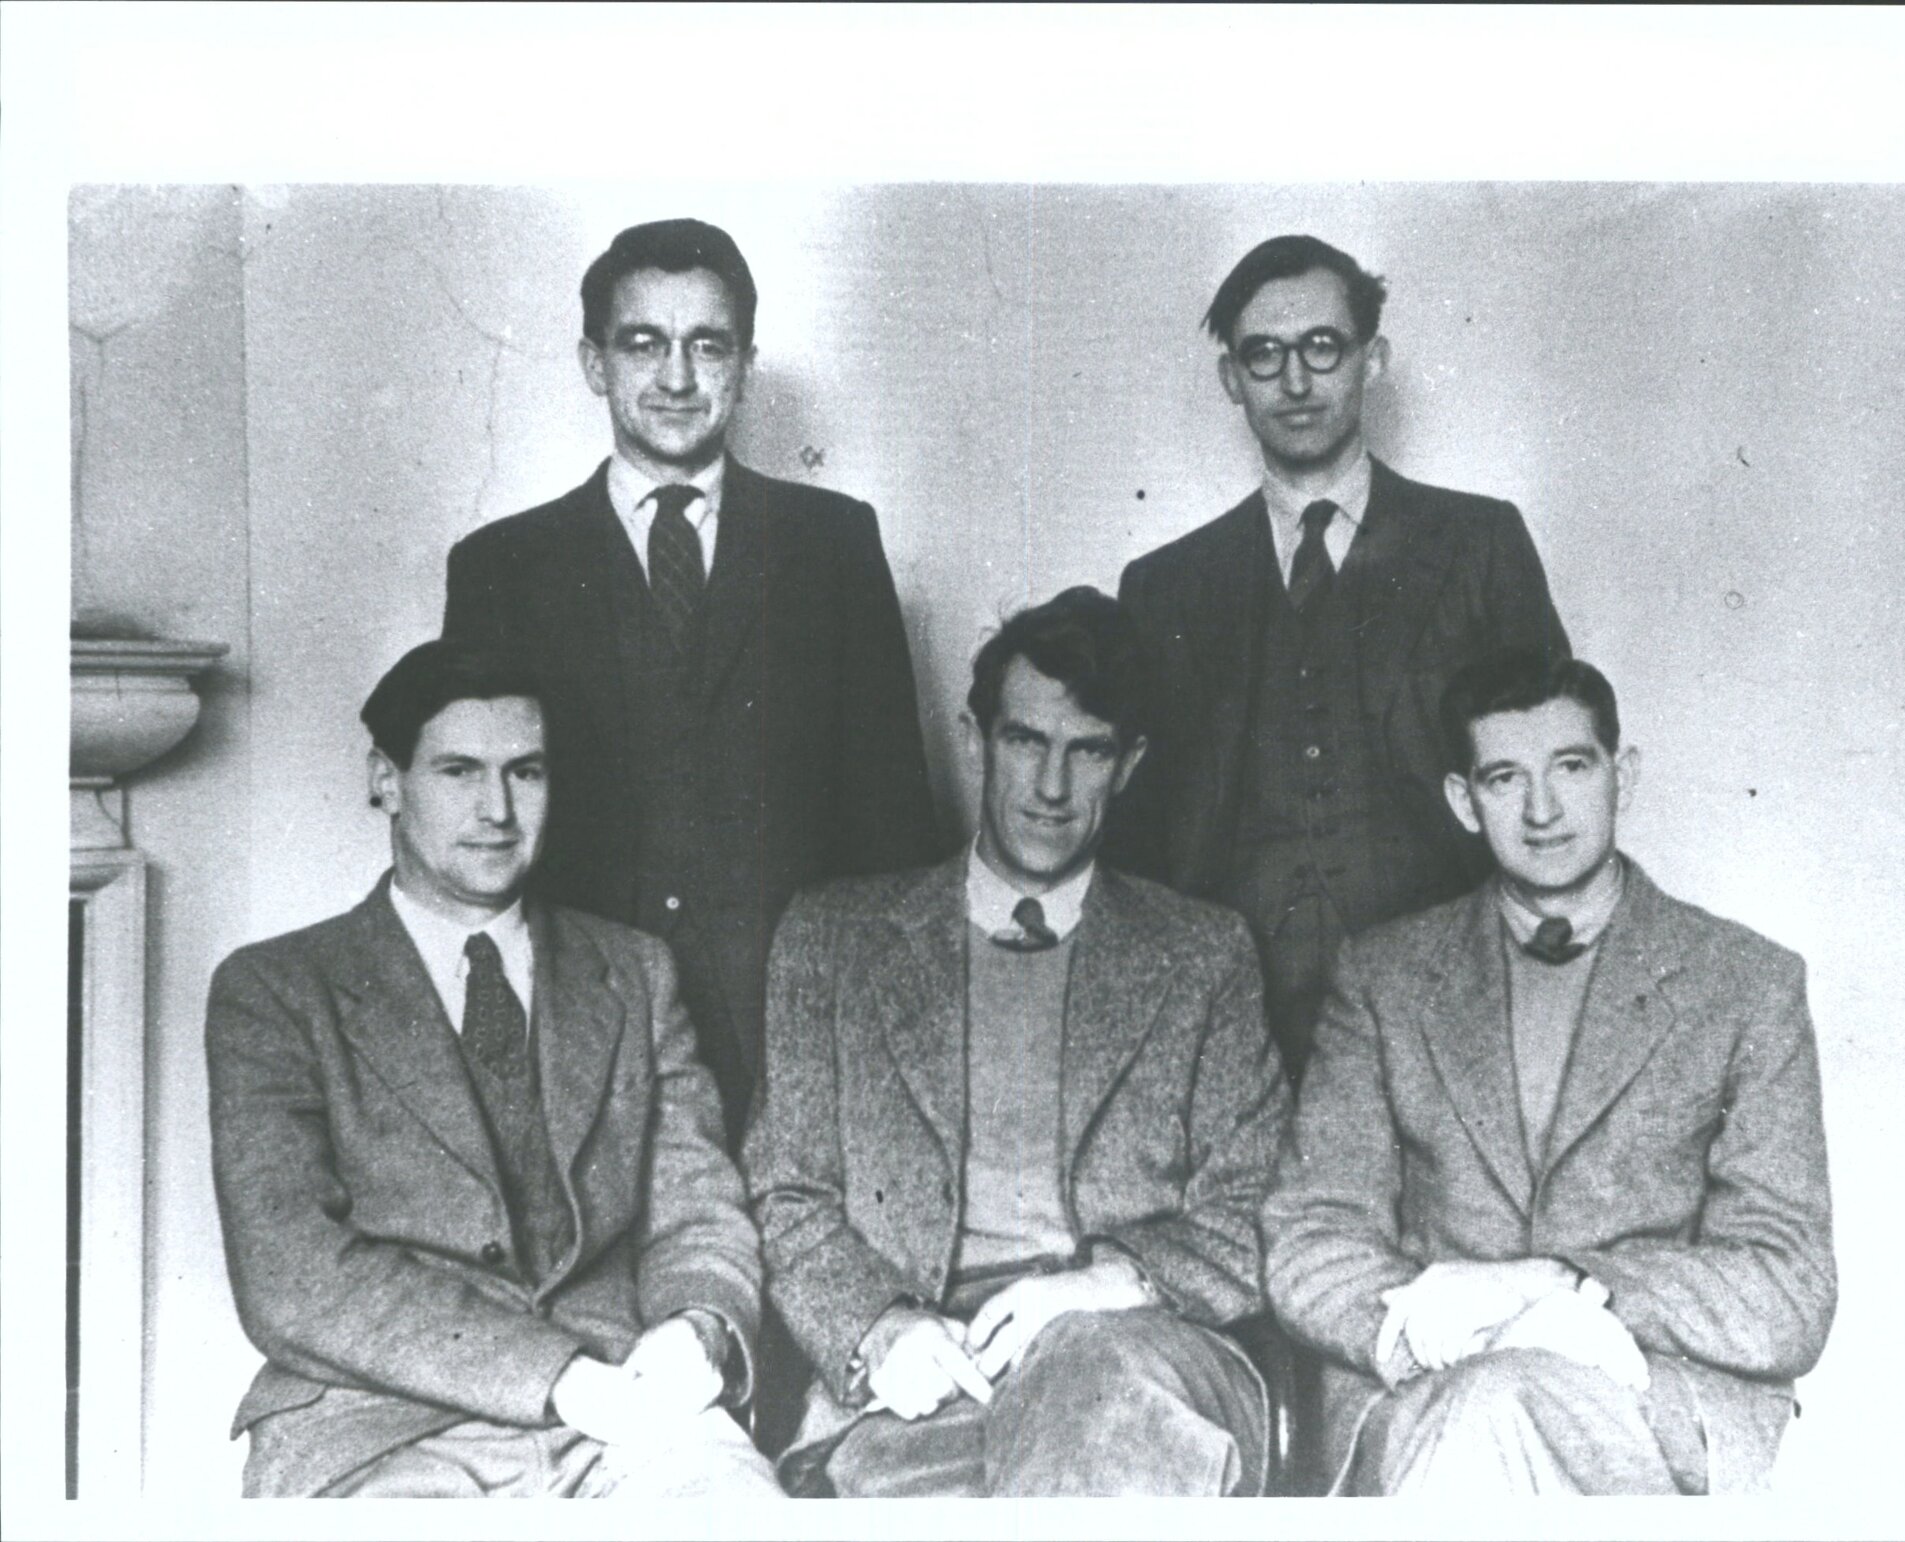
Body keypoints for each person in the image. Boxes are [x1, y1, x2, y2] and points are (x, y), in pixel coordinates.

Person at [745, 587, 1290, 1496]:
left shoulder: (1202, 954)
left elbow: (1258, 1201)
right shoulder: (832, 939)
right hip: (923, 1377)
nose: (1050, 786)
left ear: (1129, 765)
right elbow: (785, 1189)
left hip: (1143, 1359)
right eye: (1025, 742)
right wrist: (878, 1325)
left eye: (1088, 752)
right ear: (974, 738)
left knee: (1095, 1382)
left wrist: (1111, 1283)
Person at [204, 640, 780, 1498]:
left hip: (630, 1408)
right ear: (386, 780)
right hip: (382, 1423)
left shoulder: (634, 970)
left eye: (527, 772)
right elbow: (291, 1275)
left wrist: (700, 1326)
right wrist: (553, 1377)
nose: (497, 809)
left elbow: (696, 1206)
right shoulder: (277, 990)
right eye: (458, 772)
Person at [1261, 652, 1836, 1495]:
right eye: (1503, 778)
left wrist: (1577, 1288)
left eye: (1570, 766)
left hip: (1646, 1405)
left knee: (1497, 1409)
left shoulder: (1746, 983)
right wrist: (1429, 1329)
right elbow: (1311, 1238)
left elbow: (1789, 1289)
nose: (1540, 809)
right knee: (1487, 1403)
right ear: (1463, 801)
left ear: (1620, 775)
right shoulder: (1381, 977)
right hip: (1431, 1390)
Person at [443, 218, 938, 1145]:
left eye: (706, 345)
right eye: (644, 344)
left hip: (795, 1035)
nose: (676, 377)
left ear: (744, 364)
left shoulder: (833, 544)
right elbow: (476, 831)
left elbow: (892, 822)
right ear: (594, 363)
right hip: (584, 1034)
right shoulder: (502, 566)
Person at [1111, 234, 1569, 1078]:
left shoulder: (1478, 545)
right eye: (1263, 355)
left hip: (1450, 1015)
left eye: (1322, 346)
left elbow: (1550, 783)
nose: (1294, 381)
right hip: (1224, 1030)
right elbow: (1133, 846)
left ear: (1373, 358)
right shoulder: (1164, 587)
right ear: (1229, 380)